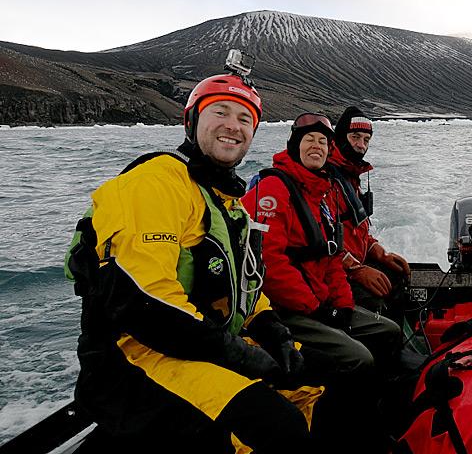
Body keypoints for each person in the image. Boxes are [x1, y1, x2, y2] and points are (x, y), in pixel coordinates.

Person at [67, 67, 326, 452]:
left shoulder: (227, 203)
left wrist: (275, 333)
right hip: (134, 356)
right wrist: (240, 355)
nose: (233, 126)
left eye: (244, 119)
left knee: (315, 376)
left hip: (201, 343)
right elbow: (146, 302)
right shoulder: (156, 183)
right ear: (192, 120)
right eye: (220, 112)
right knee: (274, 424)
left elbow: (247, 288)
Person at [241, 112, 402, 380]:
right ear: (295, 145)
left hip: (319, 299)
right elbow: (268, 263)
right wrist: (316, 308)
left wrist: (343, 306)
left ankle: (385, 396)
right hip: (283, 309)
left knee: (390, 330)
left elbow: (331, 257)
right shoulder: (273, 191)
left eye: (322, 142)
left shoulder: (319, 195)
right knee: (359, 358)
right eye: (309, 139)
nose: (316, 146)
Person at [326, 106, 410, 317]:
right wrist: (356, 269)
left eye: (366, 139)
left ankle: (398, 341)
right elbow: (322, 239)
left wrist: (380, 253)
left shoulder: (350, 175)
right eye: (355, 137)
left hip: (353, 262)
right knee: (374, 299)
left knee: (397, 276)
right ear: (340, 137)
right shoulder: (325, 178)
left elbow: (356, 230)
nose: (361, 146)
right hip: (332, 270)